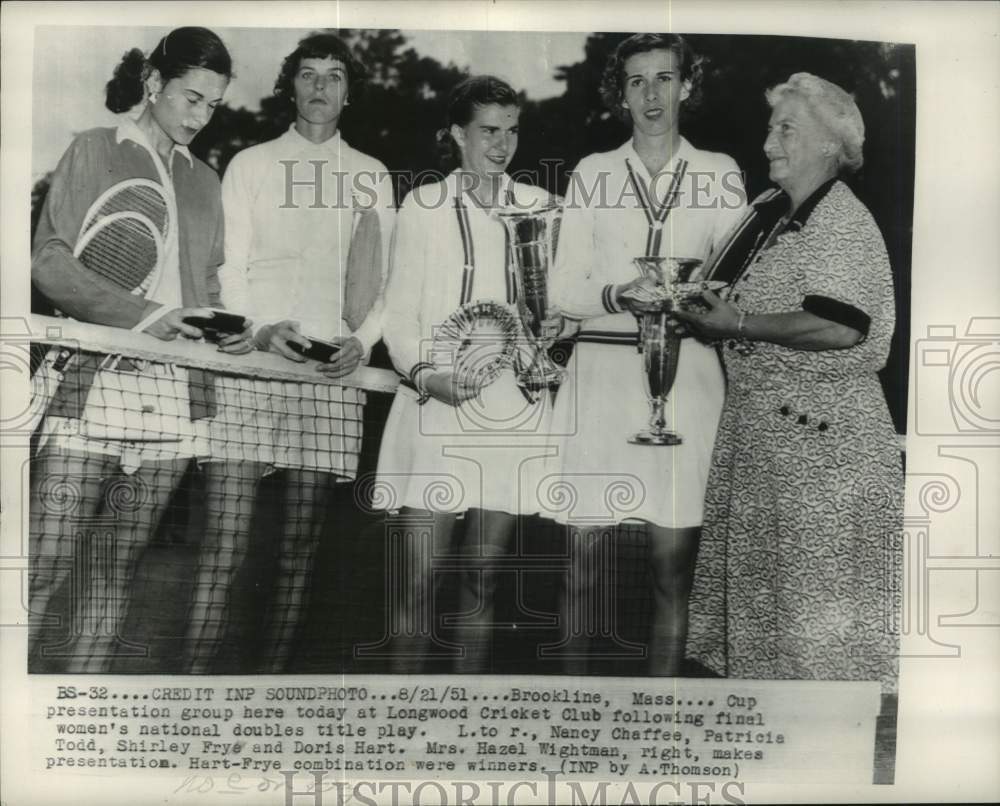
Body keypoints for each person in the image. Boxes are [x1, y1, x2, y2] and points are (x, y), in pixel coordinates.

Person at [676, 73, 903, 692]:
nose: (768, 142)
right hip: (771, 447)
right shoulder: (776, 217)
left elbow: (842, 326)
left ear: (830, 146)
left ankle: (826, 762)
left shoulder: (843, 222)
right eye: (771, 127)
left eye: (786, 129)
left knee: (813, 625)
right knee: (773, 618)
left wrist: (738, 321)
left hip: (822, 454)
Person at [29, 27, 246, 673]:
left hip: (173, 402)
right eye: (190, 97)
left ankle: (83, 707)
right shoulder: (95, 149)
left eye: (213, 104)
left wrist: (229, 329)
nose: (200, 116)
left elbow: (204, 289)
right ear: (152, 82)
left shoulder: (207, 181)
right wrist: (147, 316)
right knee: (43, 565)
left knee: (114, 566)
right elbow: (49, 262)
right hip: (90, 390)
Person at [182, 32, 394, 673]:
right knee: (226, 539)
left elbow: (385, 282)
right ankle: (194, 686)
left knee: (301, 542)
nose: (321, 87)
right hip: (253, 364)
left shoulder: (372, 175)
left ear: (349, 91)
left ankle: (271, 683)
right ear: (291, 85)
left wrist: (364, 340)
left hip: (331, 378)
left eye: (334, 75)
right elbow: (230, 267)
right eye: (308, 74)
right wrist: (264, 327)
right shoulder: (250, 164)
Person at [546, 34, 746, 676]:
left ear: (687, 86)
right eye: (637, 82)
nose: (652, 94)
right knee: (581, 566)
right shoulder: (592, 173)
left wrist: (690, 298)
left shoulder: (719, 172)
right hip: (601, 374)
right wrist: (616, 293)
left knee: (671, 570)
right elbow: (560, 288)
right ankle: (572, 716)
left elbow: (736, 284)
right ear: (621, 95)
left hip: (686, 378)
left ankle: (657, 716)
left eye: (665, 78)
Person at [375, 75, 556, 673]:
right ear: (457, 134)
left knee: (481, 583)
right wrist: (428, 377)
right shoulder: (422, 206)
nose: (501, 145)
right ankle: (398, 727)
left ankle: (461, 725)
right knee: (416, 585)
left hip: (509, 413)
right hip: (435, 408)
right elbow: (399, 316)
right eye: (488, 131)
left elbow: (552, 310)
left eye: (511, 131)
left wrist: (555, 333)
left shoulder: (541, 210)